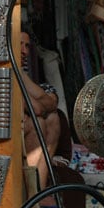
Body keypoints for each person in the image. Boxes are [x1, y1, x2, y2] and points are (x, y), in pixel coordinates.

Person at [20, 30, 72, 189]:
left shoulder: (20, 73)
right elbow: (37, 107)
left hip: (24, 124)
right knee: (39, 122)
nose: (25, 51)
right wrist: (42, 105)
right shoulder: (6, 69)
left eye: (27, 46)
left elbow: (50, 103)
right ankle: (35, 193)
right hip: (7, 133)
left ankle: (40, 188)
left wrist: (43, 104)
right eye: (20, 44)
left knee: (53, 118)